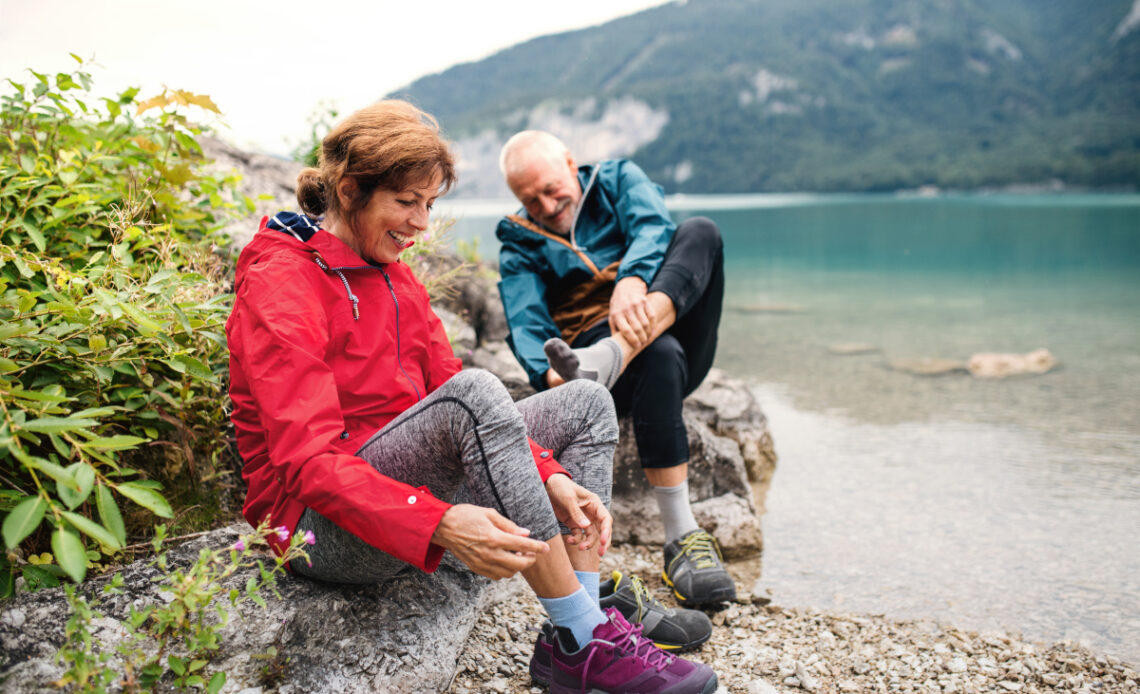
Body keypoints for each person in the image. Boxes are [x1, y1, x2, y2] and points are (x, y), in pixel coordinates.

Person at [225, 101, 718, 694]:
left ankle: (576, 637)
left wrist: (551, 476)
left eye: (429, 205)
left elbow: (463, 405)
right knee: (476, 393)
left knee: (586, 402)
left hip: (399, 485)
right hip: (315, 530)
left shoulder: (395, 275)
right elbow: (306, 463)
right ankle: (588, 635)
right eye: (407, 202)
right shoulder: (283, 280)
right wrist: (437, 522)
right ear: (352, 189)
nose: (421, 225)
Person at [496, 130, 734, 609]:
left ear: (569, 162)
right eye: (531, 199)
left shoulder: (618, 179)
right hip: (593, 376)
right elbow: (527, 322)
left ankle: (614, 353)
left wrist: (633, 278)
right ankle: (682, 536)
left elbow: (652, 225)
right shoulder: (519, 240)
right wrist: (555, 382)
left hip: (653, 331)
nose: (545, 204)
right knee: (658, 353)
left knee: (702, 232)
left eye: (550, 188)